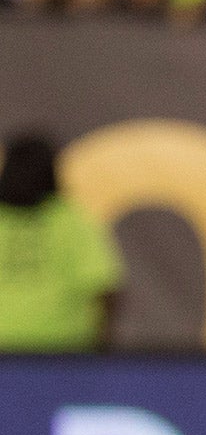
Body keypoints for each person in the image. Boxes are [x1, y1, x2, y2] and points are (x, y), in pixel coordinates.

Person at [0, 132, 124, 352]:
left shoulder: (70, 219)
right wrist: (102, 349)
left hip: (55, 352)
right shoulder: (70, 219)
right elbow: (105, 289)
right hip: (63, 353)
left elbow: (106, 288)